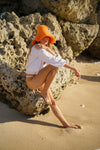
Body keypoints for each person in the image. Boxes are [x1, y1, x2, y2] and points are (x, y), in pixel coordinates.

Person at [26, 25, 81, 129]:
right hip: (32, 81)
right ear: (38, 38)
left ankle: (66, 125)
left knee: (53, 102)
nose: (46, 39)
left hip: (39, 80)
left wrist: (47, 48)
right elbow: (56, 62)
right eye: (43, 37)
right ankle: (44, 91)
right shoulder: (37, 49)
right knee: (54, 66)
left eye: (47, 37)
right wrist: (73, 68)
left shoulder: (43, 49)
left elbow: (56, 59)